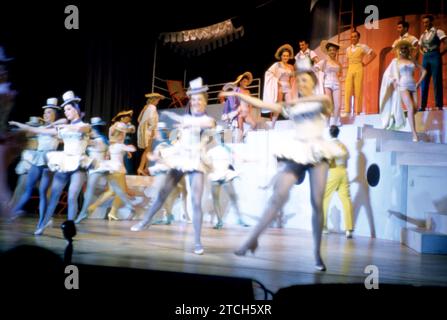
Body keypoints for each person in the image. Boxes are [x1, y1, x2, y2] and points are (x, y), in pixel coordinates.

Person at [221, 70, 346, 271]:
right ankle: (251, 239)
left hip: (318, 152)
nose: (302, 83)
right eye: (300, 80)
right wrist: (237, 95)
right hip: (298, 150)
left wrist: (295, 101)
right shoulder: (291, 105)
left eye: (306, 80)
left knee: (317, 202)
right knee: (277, 196)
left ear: (313, 83)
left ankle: (316, 253)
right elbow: (260, 104)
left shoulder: (321, 100)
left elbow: (327, 104)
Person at [131, 77, 216, 255]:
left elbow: (208, 128)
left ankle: (198, 242)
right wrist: (161, 155)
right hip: (180, 158)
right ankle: (146, 221)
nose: (195, 102)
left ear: (205, 102)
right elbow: (179, 142)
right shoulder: (185, 119)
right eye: (193, 99)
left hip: (196, 161)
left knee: (195, 201)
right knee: (162, 192)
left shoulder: (207, 120)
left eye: (199, 99)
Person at [11, 91, 92, 235]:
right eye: (65, 110)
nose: (66, 113)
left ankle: (69, 229)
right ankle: (41, 225)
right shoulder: (62, 127)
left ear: (76, 109)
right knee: (54, 195)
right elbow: (35, 129)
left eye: (69, 109)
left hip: (78, 163)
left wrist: (63, 127)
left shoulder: (85, 126)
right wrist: (19, 124)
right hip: (64, 161)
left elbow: (79, 128)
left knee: (72, 196)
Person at [9, 99, 61, 224]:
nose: (45, 115)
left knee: (45, 192)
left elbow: (62, 126)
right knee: (27, 188)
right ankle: (13, 211)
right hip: (38, 159)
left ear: (54, 114)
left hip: (49, 161)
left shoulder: (58, 128)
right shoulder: (41, 128)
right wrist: (17, 125)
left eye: (48, 112)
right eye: (44, 113)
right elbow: (30, 131)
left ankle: (45, 218)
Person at [380, 40, 427, 141]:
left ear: (408, 49)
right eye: (402, 48)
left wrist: (418, 83)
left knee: (415, 109)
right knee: (410, 108)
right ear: (399, 50)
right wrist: (393, 80)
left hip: (413, 85)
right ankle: (414, 134)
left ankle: (401, 114)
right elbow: (387, 74)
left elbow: (424, 71)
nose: (404, 50)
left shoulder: (412, 60)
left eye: (405, 48)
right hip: (403, 86)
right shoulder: (395, 61)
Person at [206, 125, 248, 229]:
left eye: (221, 134)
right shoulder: (211, 151)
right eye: (218, 134)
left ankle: (239, 218)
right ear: (215, 136)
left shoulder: (228, 149)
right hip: (215, 176)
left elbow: (236, 158)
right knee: (216, 199)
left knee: (233, 197)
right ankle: (220, 221)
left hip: (225, 176)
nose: (219, 136)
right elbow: (207, 163)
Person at [73, 117, 109, 224]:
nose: (90, 132)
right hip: (93, 167)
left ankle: (83, 212)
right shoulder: (102, 139)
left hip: (97, 167)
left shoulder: (98, 141)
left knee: (89, 190)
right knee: (87, 190)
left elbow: (83, 141)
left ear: (95, 130)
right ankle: (83, 212)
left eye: (91, 130)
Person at [322, 125, 354, 238]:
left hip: (333, 171)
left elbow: (327, 161)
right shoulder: (343, 145)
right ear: (338, 133)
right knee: (346, 200)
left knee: (325, 198)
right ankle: (349, 229)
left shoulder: (329, 145)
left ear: (330, 133)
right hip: (344, 172)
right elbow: (347, 158)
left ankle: (324, 227)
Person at [263, 44, 297, 129]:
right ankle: (273, 125)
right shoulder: (277, 65)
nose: (285, 57)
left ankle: (293, 126)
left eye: (287, 56)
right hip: (280, 87)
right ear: (281, 56)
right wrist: (277, 81)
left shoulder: (291, 67)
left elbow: (292, 78)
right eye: (284, 55)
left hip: (288, 87)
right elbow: (268, 73)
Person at [344, 30, 376, 116]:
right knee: (348, 90)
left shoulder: (362, 47)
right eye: (352, 36)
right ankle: (347, 111)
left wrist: (365, 64)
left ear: (358, 37)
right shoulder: (348, 49)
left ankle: (357, 111)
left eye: (355, 36)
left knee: (358, 90)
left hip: (359, 68)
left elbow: (373, 54)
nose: (353, 38)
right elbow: (347, 59)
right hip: (350, 69)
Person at [418, 14, 446, 111]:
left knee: (436, 81)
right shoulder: (423, 35)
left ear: (431, 22)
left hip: (435, 56)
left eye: (427, 22)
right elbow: (420, 48)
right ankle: (422, 105)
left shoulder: (438, 31)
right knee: (424, 81)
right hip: (426, 58)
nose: (425, 24)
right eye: (424, 23)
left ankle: (439, 105)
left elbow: (445, 43)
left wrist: (440, 54)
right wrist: (424, 53)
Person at [222, 72, 257, 142]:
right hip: (240, 113)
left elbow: (250, 103)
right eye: (244, 81)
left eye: (247, 82)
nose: (246, 83)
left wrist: (249, 110)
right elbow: (231, 99)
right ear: (240, 82)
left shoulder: (248, 91)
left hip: (246, 113)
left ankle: (245, 135)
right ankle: (238, 144)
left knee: (254, 124)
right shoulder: (237, 90)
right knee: (241, 129)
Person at [314, 40, 343, 126]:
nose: (332, 52)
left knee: (338, 106)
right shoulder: (324, 61)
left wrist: (338, 76)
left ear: (336, 51)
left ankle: (335, 123)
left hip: (337, 84)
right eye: (330, 50)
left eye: (334, 50)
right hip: (327, 84)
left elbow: (340, 73)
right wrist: (318, 72)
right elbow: (315, 67)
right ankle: (327, 124)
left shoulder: (338, 63)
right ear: (327, 51)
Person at [137, 93, 165, 175]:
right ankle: (140, 168)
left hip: (144, 130)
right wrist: (152, 131)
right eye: (157, 100)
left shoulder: (146, 107)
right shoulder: (152, 107)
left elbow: (139, 119)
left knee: (148, 151)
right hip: (149, 131)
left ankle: (145, 169)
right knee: (147, 151)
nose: (158, 102)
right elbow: (153, 120)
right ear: (154, 100)